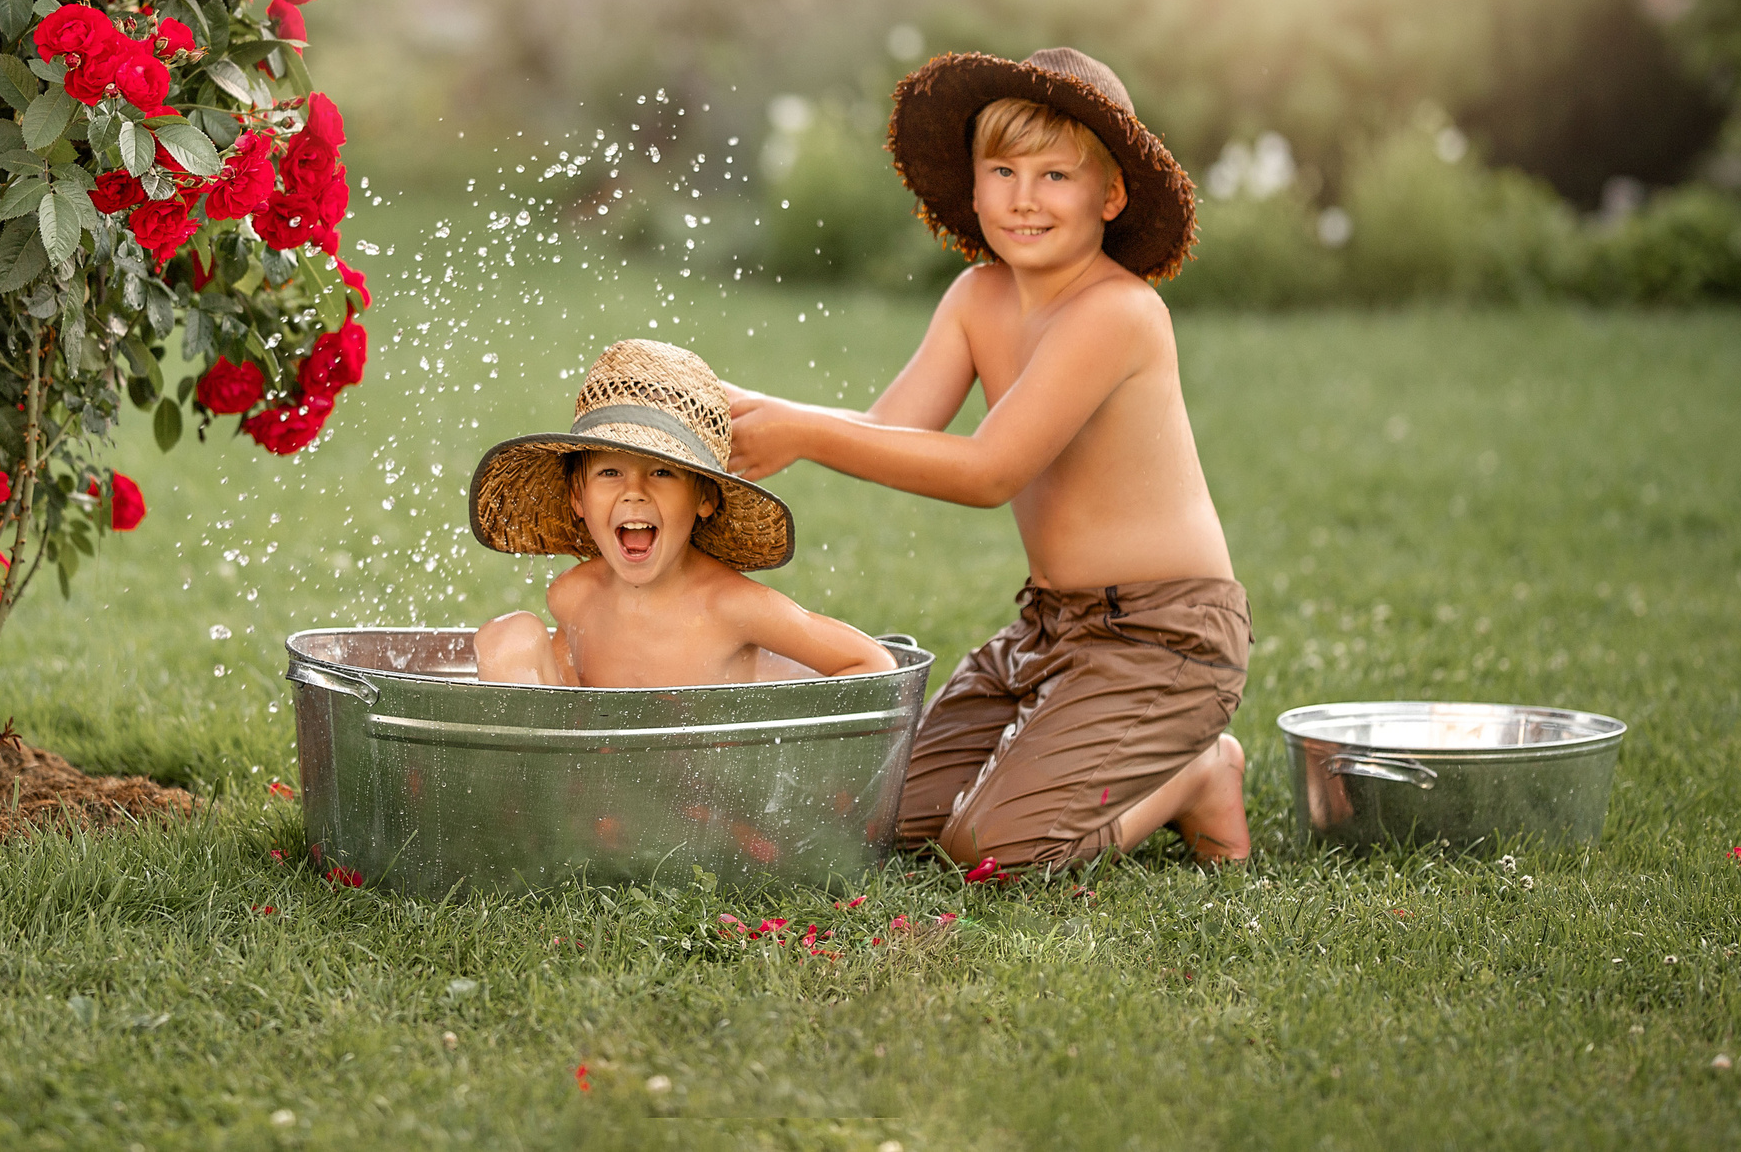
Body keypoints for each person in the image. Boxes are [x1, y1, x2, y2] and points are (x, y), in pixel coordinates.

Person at [725, 48, 1252, 872]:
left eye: (1055, 175)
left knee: (990, 850)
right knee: (883, 819)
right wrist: (753, 409)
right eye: (1002, 170)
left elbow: (988, 470)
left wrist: (802, 430)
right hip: (1049, 626)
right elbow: (891, 427)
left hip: (1163, 635)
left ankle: (1196, 771)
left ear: (1110, 193)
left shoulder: (1118, 311)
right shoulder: (979, 298)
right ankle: (1060, 738)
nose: (1023, 198)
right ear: (973, 186)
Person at [467, 338, 896, 688]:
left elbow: (872, 663)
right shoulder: (576, 597)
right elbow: (567, 702)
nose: (634, 492)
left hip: (711, 790)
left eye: (661, 472)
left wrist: (779, 748)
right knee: (511, 636)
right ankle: (525, 790)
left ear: (705, 498)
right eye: (611, 472)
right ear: (578, 497)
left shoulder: (735, 607)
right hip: (597, 785)